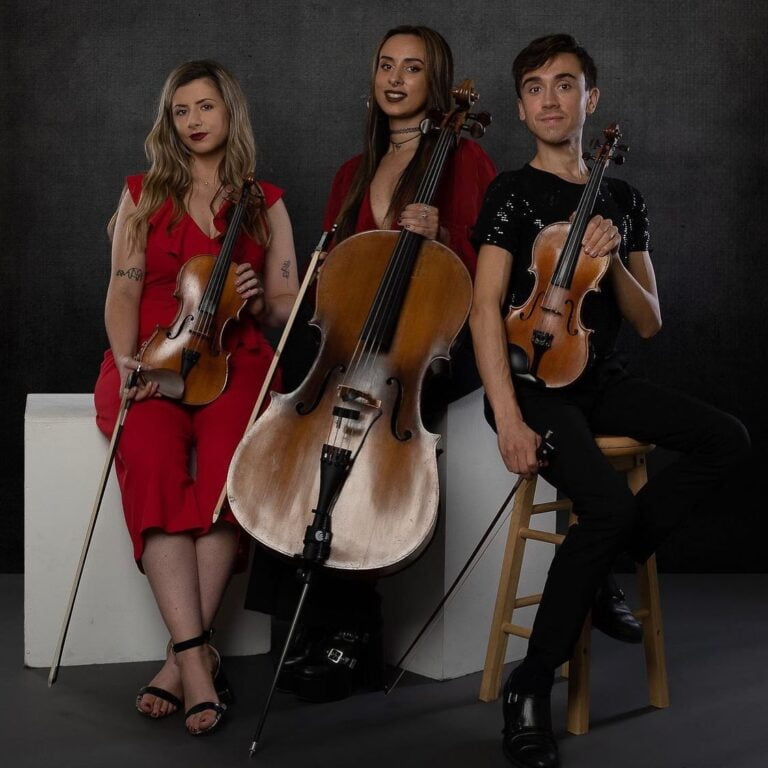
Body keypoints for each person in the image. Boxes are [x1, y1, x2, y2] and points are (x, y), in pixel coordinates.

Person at [469, 34, 750, 768]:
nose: (551, 99)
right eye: (535, 87)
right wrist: (505, 417)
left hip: (605, 382)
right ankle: (529, 689)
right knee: (610, 503)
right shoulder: (511, 193)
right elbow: (485, 309)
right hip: (534, 386)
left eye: (567, 84)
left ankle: (598, 568)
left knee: (728, 440)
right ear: (523, 106)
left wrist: (615, 251)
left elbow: (650, 322)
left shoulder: (622, 198)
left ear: (591, 99)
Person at [245, 24, 496, 702]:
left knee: (357, 451)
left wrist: (442, 235)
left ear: (434, 84)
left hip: (429, 344)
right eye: (386, 65)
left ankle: (351, 628)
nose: (394, 79)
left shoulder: (464, 160)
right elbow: (335, 286)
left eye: (411, 69)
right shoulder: (352, 174)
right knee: (295, 435)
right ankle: (314, 619)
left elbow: (486, 273)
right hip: (356, 345)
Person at [94, 59, 298, 736]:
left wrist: (273, 294)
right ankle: (196, 657)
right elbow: (124, 288)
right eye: (181, 111)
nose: (193, 121)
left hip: (233, 358)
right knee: (151, 460)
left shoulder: (265, 202)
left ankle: (179, 661)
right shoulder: (143, 193)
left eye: (205, 107)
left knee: (225, 481)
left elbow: (282, 306)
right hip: (153, 352)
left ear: (229, 112)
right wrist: (126, 364)